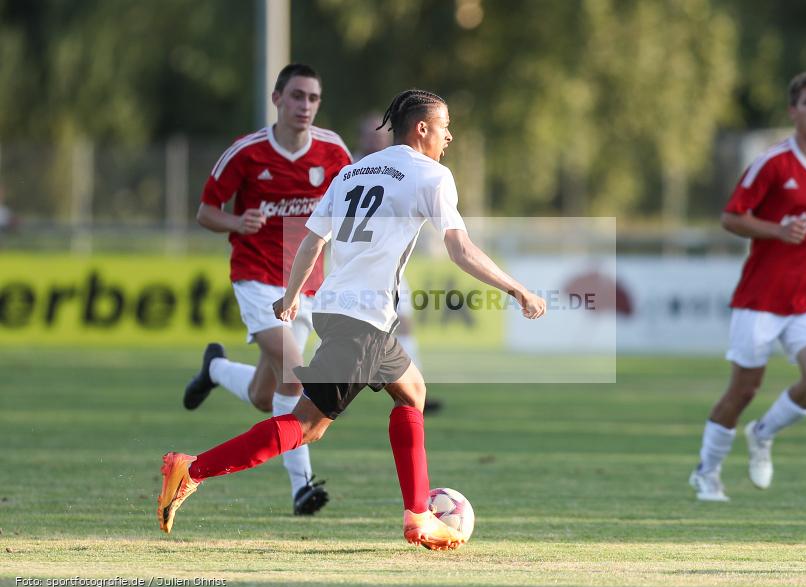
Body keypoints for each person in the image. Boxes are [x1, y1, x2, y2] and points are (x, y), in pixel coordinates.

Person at [157, 89, 547, 549]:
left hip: (345, 312)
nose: (450, 135)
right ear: (421, 128)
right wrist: (516, 288)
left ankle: (417, 513)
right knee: (306, 427)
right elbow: (460, 249)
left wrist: (291, 295)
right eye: (444, 125)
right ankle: (191, 469)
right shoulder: (433, 176)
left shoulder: (351, 172)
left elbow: (311, 241)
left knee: (412, 391)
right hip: (363, 319)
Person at [183, 63, 352, 516]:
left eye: (313, 98)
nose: (305, 106)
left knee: (265, 395)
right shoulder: (246, 153)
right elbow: (205, 212)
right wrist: (238, 221)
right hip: (257, 278)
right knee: (297, 376)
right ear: (277, 99)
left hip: (307, 284)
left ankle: (215, 369)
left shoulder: (333, 151)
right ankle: (302, 486)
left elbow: (353, 209)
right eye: (297, 96)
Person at [689, 70, 806, 501]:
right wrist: (777, 231)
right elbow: (731, 217)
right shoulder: (772, 163)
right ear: (793, 111)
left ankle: (763, 434)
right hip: (760, 298)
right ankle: (707, 472)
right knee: (743, 390)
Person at [355, 113, 444, 414]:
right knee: (348, 332)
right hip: (355, 266)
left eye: (380, 133)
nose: (375, 139)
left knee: (403, 323)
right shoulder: (351, 168)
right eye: (370, 134)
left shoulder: (399, 168)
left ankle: (415, 386)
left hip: (389, 266)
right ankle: (325, 385)